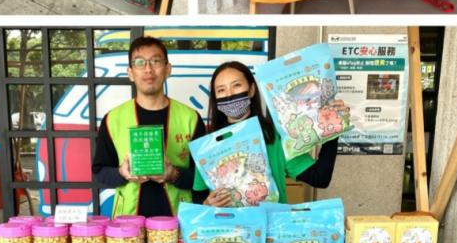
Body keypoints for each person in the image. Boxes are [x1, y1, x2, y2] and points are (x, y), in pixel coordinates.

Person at [194, 62, 342, 207]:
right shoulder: (207, 146)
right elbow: (198, 196)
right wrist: (206, 204)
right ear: (215, 98)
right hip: (227, 223)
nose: (229, 94)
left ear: (251, 90)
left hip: (273, 222)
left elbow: (320, 178)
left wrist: (332, 128)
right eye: (221, 90)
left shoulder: (275, 136)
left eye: (236, 85)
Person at [93, 36, 206, 218]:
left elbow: (203, 177)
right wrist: (121, 173)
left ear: (168, 69)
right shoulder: (113, 119)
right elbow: (100, 171)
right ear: (130, 72)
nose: (148, 69)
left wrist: (174, 174)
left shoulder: (190, 118)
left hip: (178, 220)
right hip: (128, 223)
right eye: (140, 63)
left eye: (155, 61)